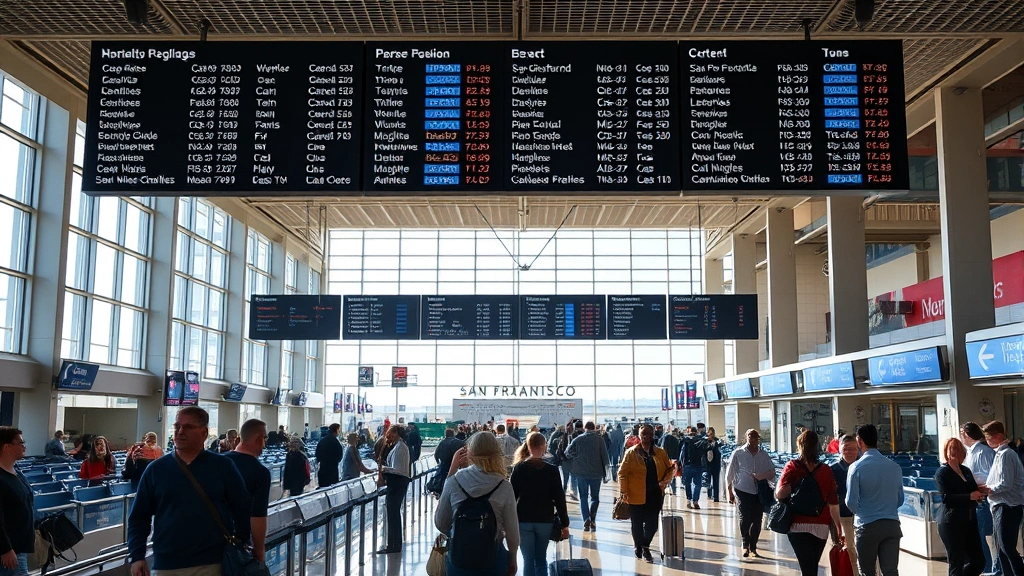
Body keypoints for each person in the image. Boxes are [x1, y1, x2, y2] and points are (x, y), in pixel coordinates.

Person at [127, 406, 251, 576]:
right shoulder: (156, 470)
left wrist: (240, 545)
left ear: (204, 433)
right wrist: (137, 556)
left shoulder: (223, 467)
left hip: (212, 563)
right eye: (177, 426)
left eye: (188, 427)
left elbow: (241, 508)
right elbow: (139, 517)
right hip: (166, 564)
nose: (180, 431)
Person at [435, 430, 519, 576]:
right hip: (493, 557)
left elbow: (441, 522)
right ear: (496, 453)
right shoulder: (504, 486)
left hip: (459, 557)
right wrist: (513, 559)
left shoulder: (454, 481)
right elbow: (512, 531)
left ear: (471, 453)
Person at [775, 430, 844, 576]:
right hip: (821, 525)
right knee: (812, 566)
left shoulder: (792, 467)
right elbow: (833, 501)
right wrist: (838, 527)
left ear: (800, 445)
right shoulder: (826, 470)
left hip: (797, 524)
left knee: (807, 567)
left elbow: (779, 494)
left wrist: (794, 484)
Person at [846, 424, 905, 576]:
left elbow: (850, 502)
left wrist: (864, 512)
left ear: (859, 441)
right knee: (891, 571)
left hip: (867, 525)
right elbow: (900, 500)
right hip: (891, 524)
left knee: (867, 571)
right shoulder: (894, 467)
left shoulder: (856, 467)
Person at [510, 432, 569, 576]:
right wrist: (565, 523)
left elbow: (511, 497)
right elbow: (559, 498)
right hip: (545, 519)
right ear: (544, 446)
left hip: (523, 519)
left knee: (528, 560)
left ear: (528, 446)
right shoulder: (552, 470)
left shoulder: (518, 468)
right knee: (541, 558)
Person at [618, 424, 673, 563]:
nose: (646, 437)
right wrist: (623, 491)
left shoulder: (660, 452)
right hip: (635, 494)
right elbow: (622, 473)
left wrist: (664, 482)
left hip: (654, 494)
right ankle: (640, 547)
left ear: (653, 435)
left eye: (649, 434)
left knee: (652, 524)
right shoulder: (631, 453)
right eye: (643, 434)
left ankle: (645, 545)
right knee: (636, 524)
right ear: (639, 436)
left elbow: (670, 469)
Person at [934, 437, 985, 576]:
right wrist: (969, 496)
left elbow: (973, 489)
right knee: (956, 562)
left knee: (978, 561)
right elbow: (946, 498)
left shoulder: (966, 470)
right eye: (952, 449)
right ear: (946, 452)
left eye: (957, 448)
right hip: (951, 522)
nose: (955, 452)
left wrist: (979, 494)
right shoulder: (942, 472)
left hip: (969, 520)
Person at [224, 419, 271, 562]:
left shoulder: (218, 462)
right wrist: (260, 550)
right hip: (237, 544)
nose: (264, 444)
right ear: (258, 439)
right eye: (265, 439)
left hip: (209, 542)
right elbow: (257, 516)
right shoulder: (260, 472)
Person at [981, 420, 1024, 576]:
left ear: (998, 436)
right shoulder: (1000, 454)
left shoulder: (1006, 455)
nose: (987, 441)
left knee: (1006, 547)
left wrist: (988, 490)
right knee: (1001, 549)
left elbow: (1005, 483)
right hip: (1002, 506)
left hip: (1007, 506)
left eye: (988, 437)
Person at [726, 428, 776, 558]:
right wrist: (729, 490)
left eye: (755, 437)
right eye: (750, 437)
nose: (753, 440)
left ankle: (753, 546)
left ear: (758, 439)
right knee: (745, 517)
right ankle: (745, 543)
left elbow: (772, 472)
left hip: (759, 492)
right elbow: (730, 472)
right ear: (746, 438)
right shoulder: (738, 453)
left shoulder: (763, 455)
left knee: (757, 520)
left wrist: (760, 476)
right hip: (742, 489)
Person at [962, 421, 998, 576]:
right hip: (975, 499)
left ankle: (988, 568)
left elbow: (991, 475)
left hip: (983, 499)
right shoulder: (971, 452)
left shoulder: (983, 452)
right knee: (977, 535)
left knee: (981, 534)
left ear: (967, 435)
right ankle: (984, 567)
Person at [563, 421, 610, 532]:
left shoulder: (578, 439)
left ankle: (586, 520)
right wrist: (606, 475)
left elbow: (567, 452)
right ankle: (593, 519)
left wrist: (576, 456)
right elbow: (605, 457)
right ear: (594, 429)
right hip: (596, 474)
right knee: (595, 497)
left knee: (583, 497)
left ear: (585, 428)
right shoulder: (599, 440)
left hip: (581, 473)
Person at [0, 427, 33, 576]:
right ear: (6, 447)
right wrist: (5, 549)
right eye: (20, 442)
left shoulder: (17, 473)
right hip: (8, 553)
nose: (24, 446)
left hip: (20, 548)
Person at [830, 434, 861, 575]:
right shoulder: (833, 470)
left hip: (863, 516)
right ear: (840, 449)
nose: (850, 452)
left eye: (853, 449)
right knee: (849, 551)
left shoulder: (863, 467)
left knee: (865, 551)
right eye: (846, 448)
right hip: (843, 517)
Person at [377, 424, 411, 554]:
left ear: (397, 433)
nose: (388, 436)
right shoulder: (398, 446)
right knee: (393, 514)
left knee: (393, 514)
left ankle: (394, 545)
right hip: (397, 483)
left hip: (397, 484)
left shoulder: (400, 448)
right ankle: (393, 544)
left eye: (391, 433)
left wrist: (384, 469)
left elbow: (399, 469)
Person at [429, 428, 465, 495]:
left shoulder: (442, 442)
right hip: (457, 467)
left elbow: (436, 455)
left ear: (446, 434)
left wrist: (439, 463)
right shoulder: (459, 442)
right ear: (453, 434)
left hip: (444, 467)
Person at [680, 427, 707, 509]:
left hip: (688, 465)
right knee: (698, 484)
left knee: (687, 483)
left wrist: (681, 465)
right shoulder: (701, 441)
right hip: (698, 465)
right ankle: (695, 501)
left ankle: (689, 500)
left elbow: (682, 454)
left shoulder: (686, 441)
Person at [315, 423, 344, 488]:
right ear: (336, 430)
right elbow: (339, 456)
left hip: (323, 470)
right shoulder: (336, 442)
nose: (339, 432)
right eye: (339, 430)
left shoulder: (322, 441)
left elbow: (317, 455)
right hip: (332, 471)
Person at [659, 428, 680, 496]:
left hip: (665, 459)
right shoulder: (676, 440)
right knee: (672, 475)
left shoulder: (664, 438)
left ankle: (663, 489)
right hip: (673, 459)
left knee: (664, 474)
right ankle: (673, 490)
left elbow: (660, 447)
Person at [705, 427, 723, 503]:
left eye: (712, 433)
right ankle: (709, 495)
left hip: (716, 463)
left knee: (716, 480)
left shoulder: (717, 441)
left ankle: (716, 497)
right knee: (708, 479)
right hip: (708, 464)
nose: (711, 435)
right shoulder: (705, 441)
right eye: (709, 433)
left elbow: (720, 447)